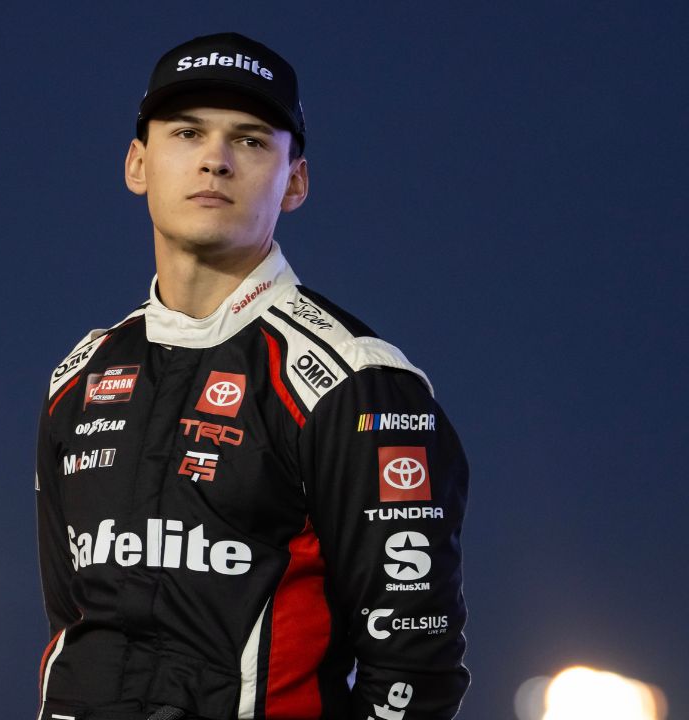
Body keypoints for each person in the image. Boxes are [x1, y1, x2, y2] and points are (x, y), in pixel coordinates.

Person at [35, 32, 469, 720]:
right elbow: (73, 625)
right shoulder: (80, 376)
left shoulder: (359, 386)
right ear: (137, 163)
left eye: (250, 140)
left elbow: (414, 671)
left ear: (295, 180)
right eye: (186, 133)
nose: (214, 160)